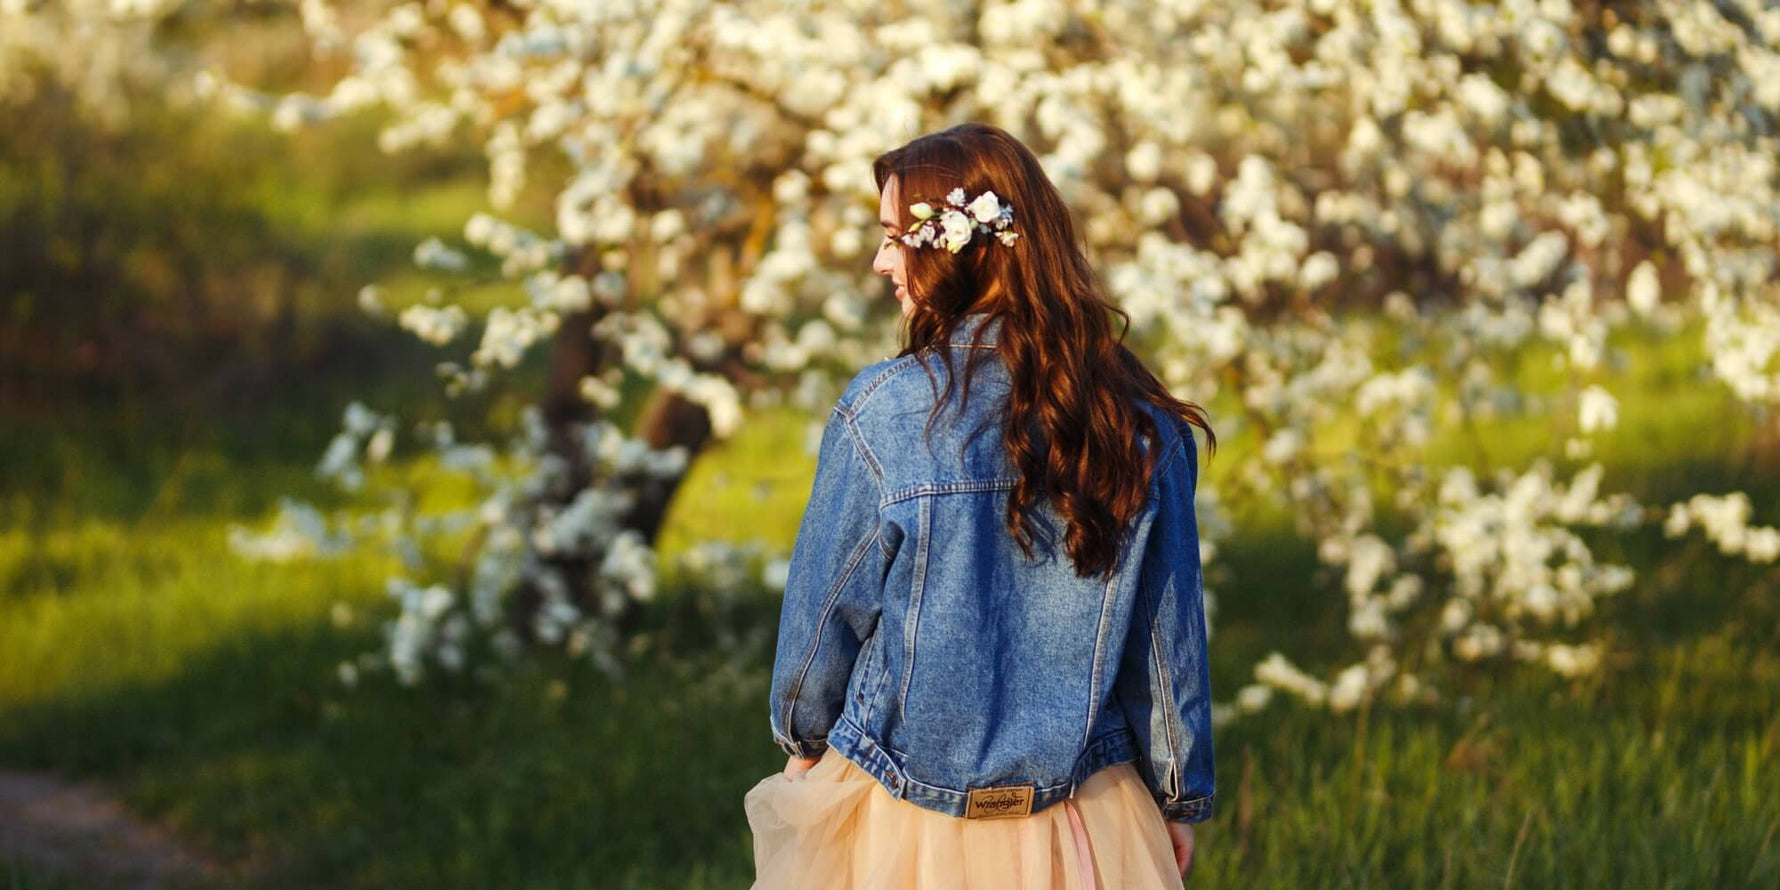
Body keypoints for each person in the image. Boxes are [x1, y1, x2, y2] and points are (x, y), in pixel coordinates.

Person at [744, 122, 1218, 889]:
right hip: (1086, 808)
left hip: (900, 806)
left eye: (896, 238)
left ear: (956, 247)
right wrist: (1176, 794)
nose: (880, 261)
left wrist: (803, 741)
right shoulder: (1135, 422)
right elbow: (1165, 646)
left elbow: (826, 611)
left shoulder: (885, 412)